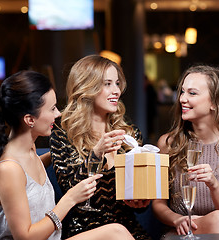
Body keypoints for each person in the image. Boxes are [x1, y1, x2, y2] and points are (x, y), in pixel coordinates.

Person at [0, 70, 135, 240]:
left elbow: (35, 168)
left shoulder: (30, 151)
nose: (58, 114)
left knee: (116, 231)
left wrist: (80, 149)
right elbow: (25, 237)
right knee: (116, 233)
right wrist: (70, 199)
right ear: (30, 120)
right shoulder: (8, 169)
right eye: (52, 109)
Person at [50, 55, 150, 239]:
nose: (116, 91)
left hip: (128, 229)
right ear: (86, 87)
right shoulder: (63, 135)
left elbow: (138, 198)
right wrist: (97, 154)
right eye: (107, 84)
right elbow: (70, 189)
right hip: (86, 231)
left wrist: (140, 202)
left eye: (117, 83)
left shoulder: (130, 135)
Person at [152, 65, 219, 237]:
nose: (182, 98)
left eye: (192, 93)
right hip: (180, 231)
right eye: (182, 92)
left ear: (215, 102)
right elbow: (158, 204)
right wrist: (177, 219)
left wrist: (213, 185)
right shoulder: (168, 143)